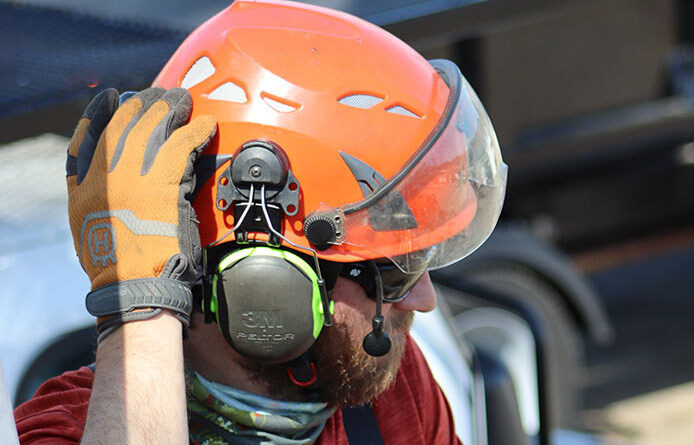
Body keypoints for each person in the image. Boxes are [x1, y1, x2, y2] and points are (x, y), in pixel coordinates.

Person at [13, 1, 507, 443]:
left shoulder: (381, 392)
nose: (424, 300)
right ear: (264, 275)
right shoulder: (64, 431)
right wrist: (139, 311)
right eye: (396, 270)